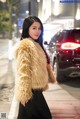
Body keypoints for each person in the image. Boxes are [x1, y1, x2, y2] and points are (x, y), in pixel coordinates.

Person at [14, 16, 57, 119]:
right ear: (27, 29)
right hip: (30, 92)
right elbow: (23, 71)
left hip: (36, 91)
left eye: (39, 28)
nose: (37, 31)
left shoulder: (36, 44)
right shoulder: (26, 45)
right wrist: (24, 94)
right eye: (34, 28)